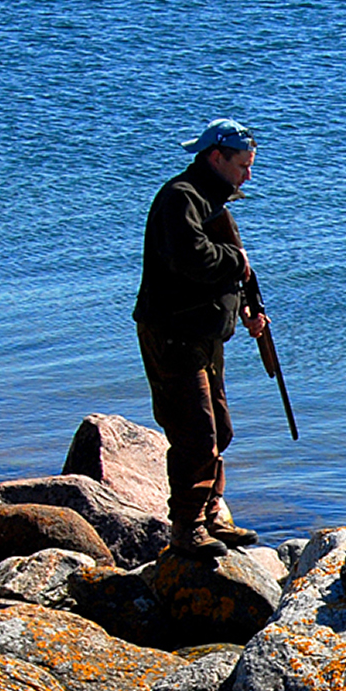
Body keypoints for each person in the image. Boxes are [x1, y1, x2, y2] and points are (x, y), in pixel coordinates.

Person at [132, 117, 269, 557]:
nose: (248, 174)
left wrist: (249, 306)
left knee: (219, 429)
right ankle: (186, 528)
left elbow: (233, 265)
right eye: (243, 164)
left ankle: (210, 514)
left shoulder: (211, 201)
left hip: (206, 335)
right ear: (216, 157)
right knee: (194, 432)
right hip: (173, 334)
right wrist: (236, 263)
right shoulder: (181, 199)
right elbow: (194, 258)